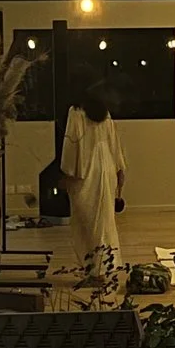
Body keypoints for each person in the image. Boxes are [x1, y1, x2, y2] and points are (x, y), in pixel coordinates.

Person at [59, 83, 127, 281]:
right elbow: (114, 142)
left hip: (86, 169)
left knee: (87, 220)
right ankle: (104, 267)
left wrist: (68, 173)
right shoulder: (104, 113)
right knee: (104, 219)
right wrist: (120, 168)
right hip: (106, 166)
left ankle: (95, 270)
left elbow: (72, 144)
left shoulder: (76, 112)